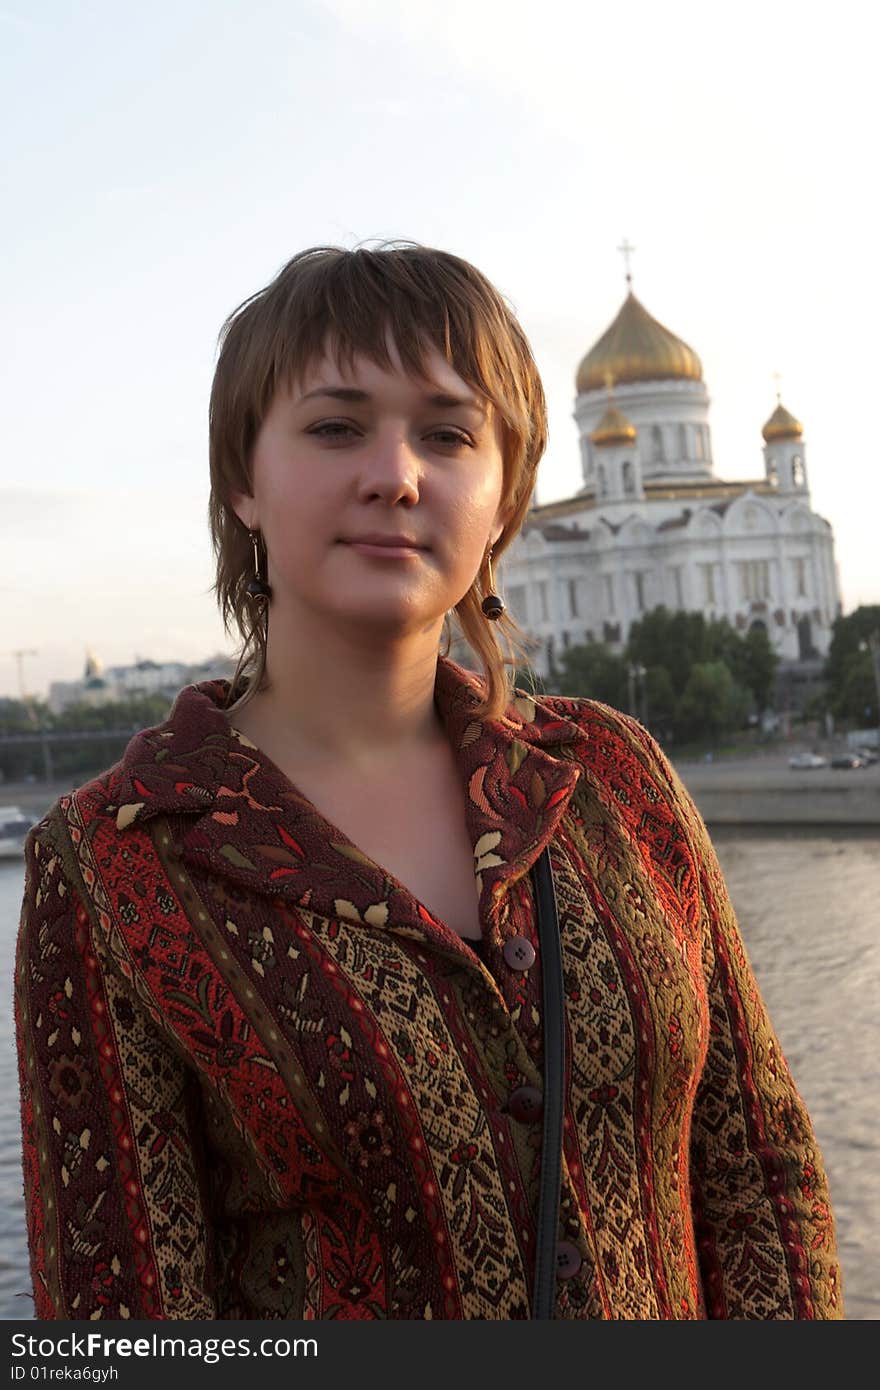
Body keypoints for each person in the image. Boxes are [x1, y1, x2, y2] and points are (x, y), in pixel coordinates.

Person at [15, 242, 843, 1320]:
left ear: (506, 498)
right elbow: (121, 1310)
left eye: (448, 434)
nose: (395, 473)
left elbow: (757, 1177)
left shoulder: (611, 779)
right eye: (334, 426)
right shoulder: (119, 861)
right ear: (241, 478)